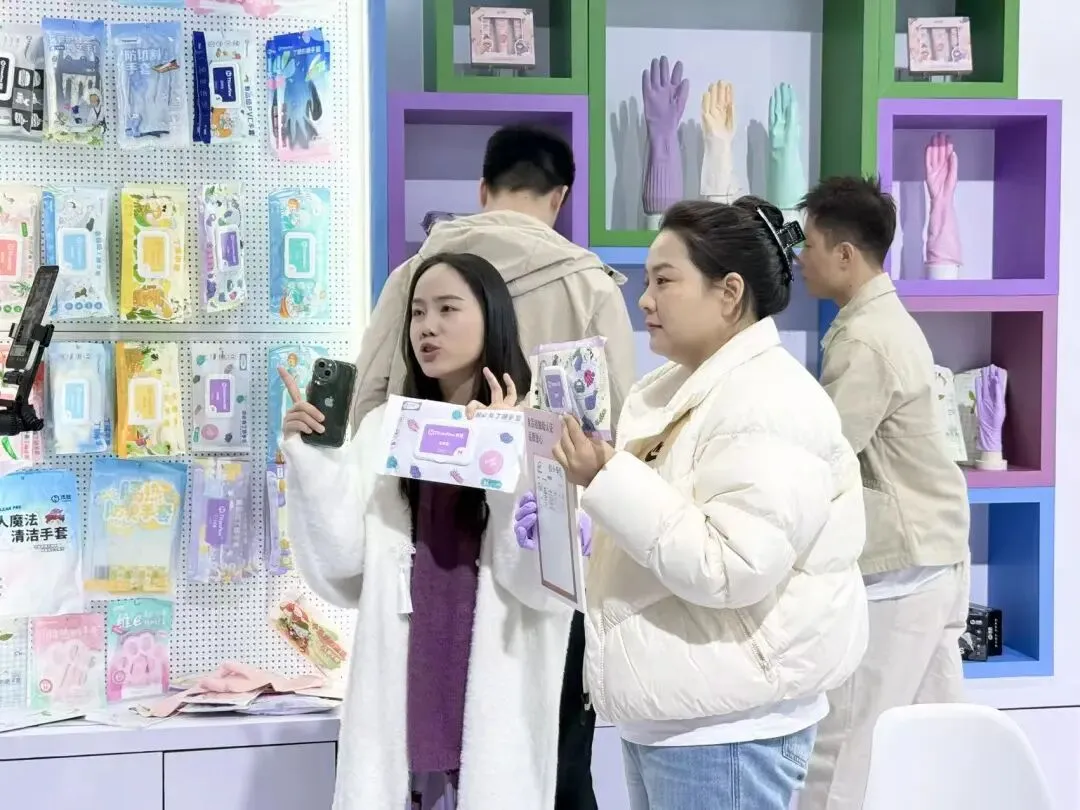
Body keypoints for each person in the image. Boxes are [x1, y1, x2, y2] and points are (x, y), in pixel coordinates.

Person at [541, 197, 869, 810]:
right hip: (680, 711)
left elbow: (730, 565)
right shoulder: (681, 391)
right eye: (647, 282)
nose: (645, 300)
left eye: (665, 281)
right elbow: (659, 530)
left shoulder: (768, 401)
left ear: (730, 293)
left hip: (730, 728)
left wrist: (607, 477)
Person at [352, 124, 635, 810]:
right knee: (550, 764)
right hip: (543, 558)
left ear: (482, 190)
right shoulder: (589, 284)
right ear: (560, 196)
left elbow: (368, 405)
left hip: (425, 554)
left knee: (418, 757)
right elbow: (615, 429)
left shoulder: (415, 275)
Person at [280, 252, 573, 810]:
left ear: (491, 318)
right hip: (403, 697)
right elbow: (343, 568)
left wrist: (502, 452)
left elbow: (544, 586)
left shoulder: (538, 429)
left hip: (493, 707)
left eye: (447, 309)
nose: (427, 327)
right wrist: (313, 461)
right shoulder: (386, 429)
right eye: (417, 312)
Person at [795, 176, 971, 810]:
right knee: (928, 752)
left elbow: (828, 453)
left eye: (810, 244)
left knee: (843, 749)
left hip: (900, 570)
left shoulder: (866, 339)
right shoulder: (884, 323)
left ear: (845, 254)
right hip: (935, 554)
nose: (800, 257)